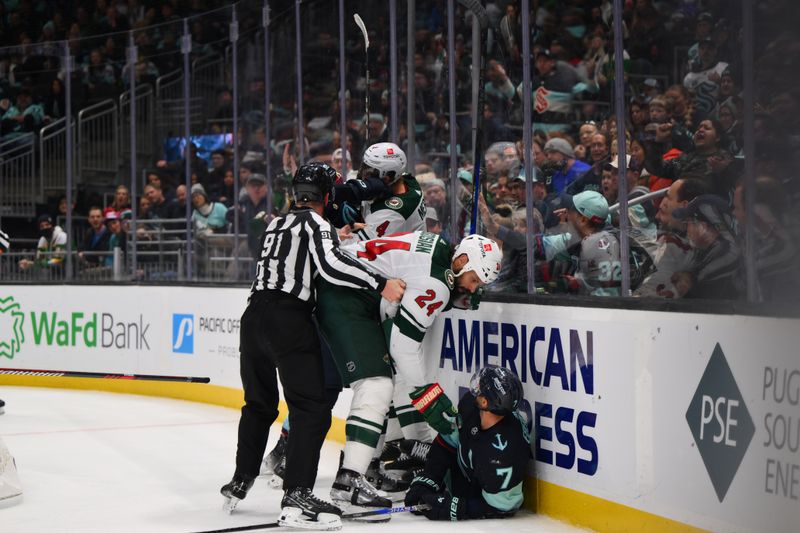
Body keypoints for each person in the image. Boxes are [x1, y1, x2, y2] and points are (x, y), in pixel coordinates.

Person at [220, 162, 406, 531]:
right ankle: (297, 496)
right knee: (312, 407)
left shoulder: (277, 223)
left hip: (253, 317)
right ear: (327, 195)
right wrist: (379, 281)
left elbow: (302, 249)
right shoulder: (315, 224)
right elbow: (332, 264)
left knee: (259, 405)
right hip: (288, 319)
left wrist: (337, 233)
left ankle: (240, 481)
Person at [315, 232, 503, 517]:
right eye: (474, 280)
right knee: (377, 384)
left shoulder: (439, 246)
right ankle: (349, 480)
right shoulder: (439, 284)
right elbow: (403, 348)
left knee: (386, 380)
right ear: (462, 261)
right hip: (346, 294)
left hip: (342, 287)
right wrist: (428, 396)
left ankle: (364, 467)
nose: (473, 289)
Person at [404, 366, 529, 521]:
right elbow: (449, 441)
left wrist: (459, 508)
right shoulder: (472, 405)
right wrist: (430, 477)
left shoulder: (501, 455)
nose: (475, 388)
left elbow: (502, 507)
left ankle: (441, 475)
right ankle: (431, 464)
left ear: (484, 401)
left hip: (480, 486)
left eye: (480, 388)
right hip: (471, 466)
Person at [349, 143, 425, 242]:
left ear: (387, 178)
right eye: (364, 168)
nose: (363, 177)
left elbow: (354, 247)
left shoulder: (391, 214)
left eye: (369, 173)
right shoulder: (407, 180)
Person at [671, 194, 741, 299]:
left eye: (688, 223)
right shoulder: (706, 250)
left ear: (703, 227)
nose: (687, 229)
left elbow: (691, 292)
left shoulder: (728, 255)